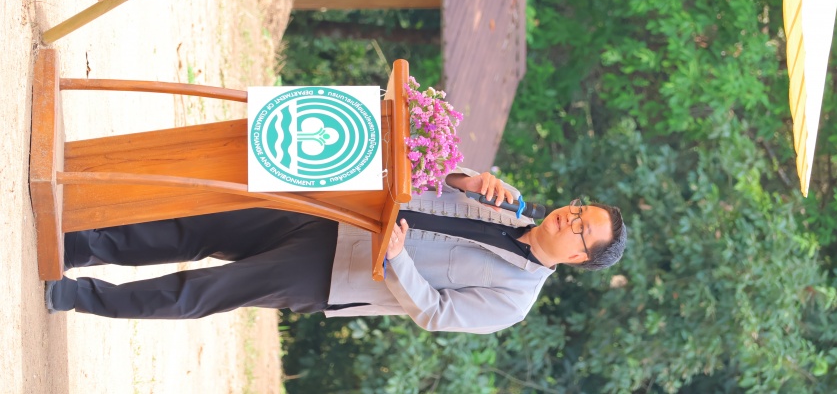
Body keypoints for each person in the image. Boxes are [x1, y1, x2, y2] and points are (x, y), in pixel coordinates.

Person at [46, 168, 627, 333]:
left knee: (206, 290)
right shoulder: (509, 203)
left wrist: (397, 256)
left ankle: (77, 297)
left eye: (581, 230)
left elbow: (435, 313)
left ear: (579, 259)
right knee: (200, 226)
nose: (570, 218)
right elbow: (432, 177)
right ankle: (78, 246)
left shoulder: (515, 300)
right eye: (579, 210)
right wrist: (467, 179)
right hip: (338, 214)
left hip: (337, 274)